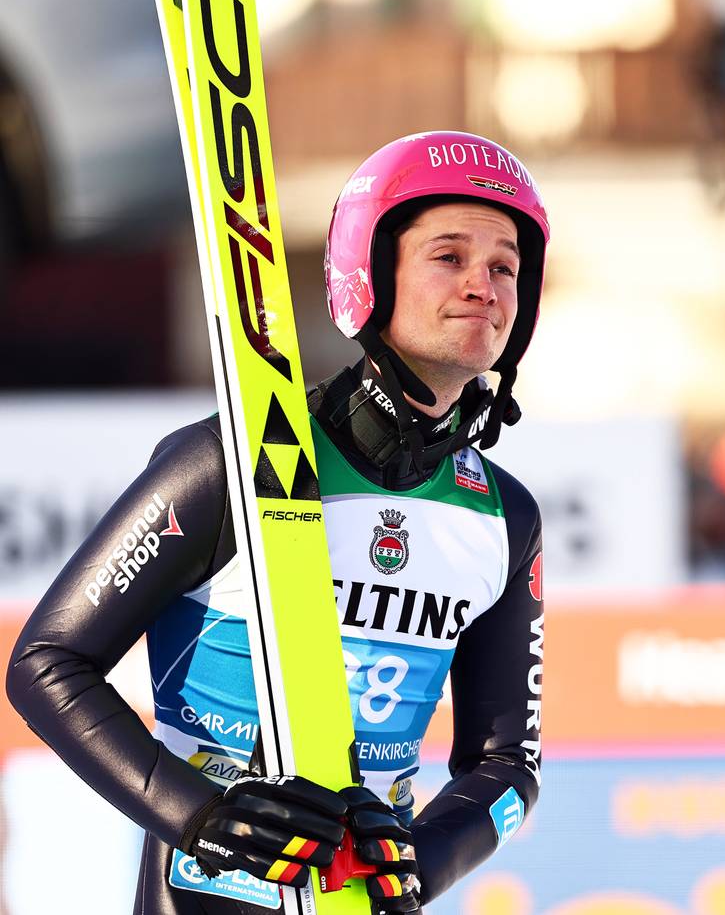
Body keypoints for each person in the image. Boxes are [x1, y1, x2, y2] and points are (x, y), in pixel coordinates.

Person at [6, 130, 547, 913]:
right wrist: (206, 817)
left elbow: (510, 770)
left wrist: (419, 864)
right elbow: (48, 664)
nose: (482, 285)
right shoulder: (231, 460)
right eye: (448, 256)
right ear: (370, 275)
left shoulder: (504, 515)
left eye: (505, 267)